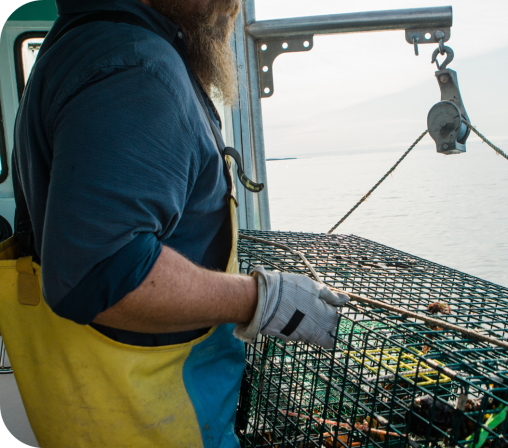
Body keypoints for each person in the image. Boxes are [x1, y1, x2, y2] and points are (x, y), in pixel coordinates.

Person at [7, 0, 349, 445]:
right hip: (151, 419)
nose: (233, 5)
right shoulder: (136, 67)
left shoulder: (85, 40)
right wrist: (262, 298)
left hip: (107, 414)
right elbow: (99, 272)